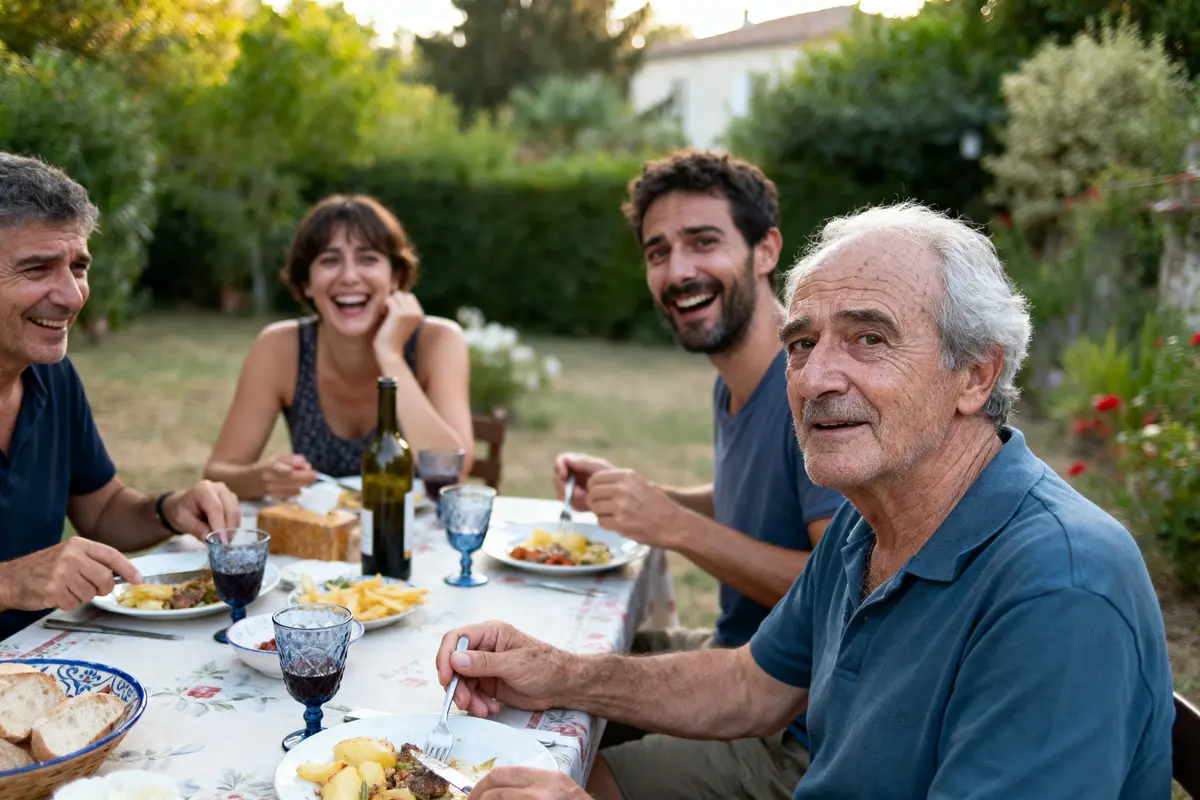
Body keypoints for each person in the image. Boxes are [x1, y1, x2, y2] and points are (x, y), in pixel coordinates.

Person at [439, 202, 1175, 800]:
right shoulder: (870, 518)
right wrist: (558, 671)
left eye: (868, 339)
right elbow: (749, 686)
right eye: (801, 342)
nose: (815, 377)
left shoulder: (1060, 588)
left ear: (975, 377)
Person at [551, 150, 843, 790]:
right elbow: (756, 499)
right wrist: (646, 496)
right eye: (658, 252)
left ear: (766, 251)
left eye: (703, 242)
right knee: (553, 673)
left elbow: (834, 589)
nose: (679, 270)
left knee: (565, 779)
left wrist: (673, 529)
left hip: (797, 726)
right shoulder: (735, 382)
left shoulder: (812, 391)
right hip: (735, 655)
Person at [0, 153, 241, 641]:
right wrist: (10, 581)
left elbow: (102, 510)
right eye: (37, 268)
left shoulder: (53, 378)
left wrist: (168, 509)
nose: (71, 295)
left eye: (78, 266)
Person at [205, 194, 474, 499]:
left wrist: (391, 356)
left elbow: (453, 472)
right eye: (330, 261)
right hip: (324, 537)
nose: (349, 277)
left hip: (417, 538)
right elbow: (218, 473)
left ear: (395, 277)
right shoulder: (280, 348)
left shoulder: (438, 342)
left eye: (368, 258)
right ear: (306, 282)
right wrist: (263, 479)